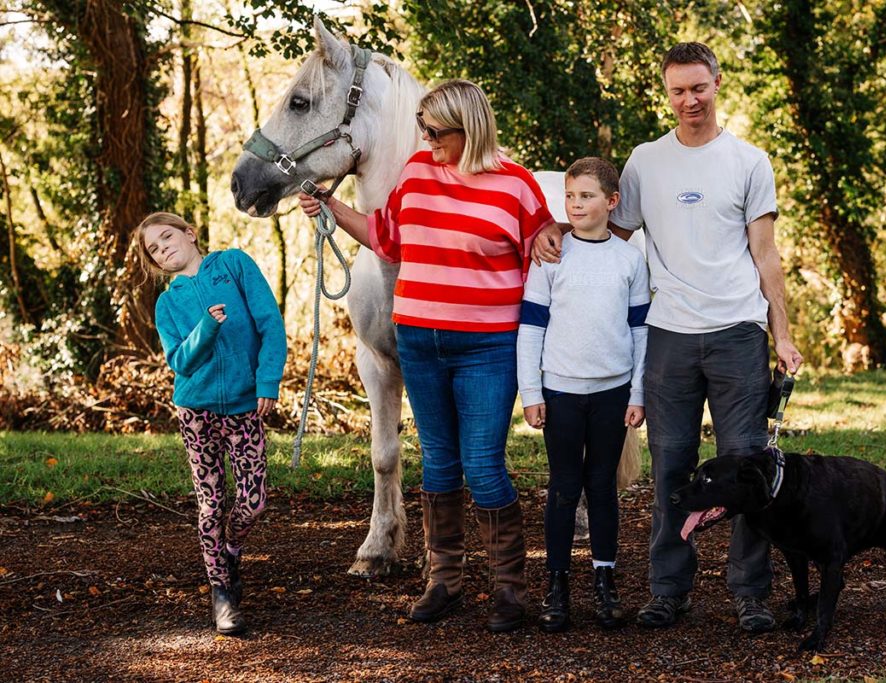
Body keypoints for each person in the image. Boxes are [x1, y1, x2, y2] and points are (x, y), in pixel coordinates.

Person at [533, 43, 804, 633]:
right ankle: (668, 591)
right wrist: (551, 229)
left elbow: (766, 254)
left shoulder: (749, 161)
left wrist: (781, 334)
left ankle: (750, 594)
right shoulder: (644, 162)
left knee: (747, 469)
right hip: (669, 337)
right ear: (667, 92)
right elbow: (610, 229)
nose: (689, 100)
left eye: (699, 88)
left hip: (737, 333)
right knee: (671, 468)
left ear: (717, 83)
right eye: (678, 90)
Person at [299, 79, 554, 633]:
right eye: (423, 128)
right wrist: (328, 205)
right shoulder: (416, 173)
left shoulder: (516, 186)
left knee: (484, 465)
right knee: (438, 463)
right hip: (419, 341)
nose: (428, 139)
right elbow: (385, 238)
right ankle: (445, 580)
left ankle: (510, 588)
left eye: (438, 132)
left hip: (488, 346)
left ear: (473, 128)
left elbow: (549, 255)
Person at [133, 212, 287, 635]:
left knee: (253, 501)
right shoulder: (167, 303)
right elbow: (180, 361)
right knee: (211, 503)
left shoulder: (234, 265)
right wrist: (206, 327)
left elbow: (270, 324)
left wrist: (268, 379)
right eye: (155, 249)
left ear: (189, 233)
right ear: (156, 262)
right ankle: (222, 594)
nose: (163, 248)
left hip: (244, 407)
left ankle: (230, 550)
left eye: (167, 237)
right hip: (196, 412)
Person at [518, 157, 649, 633]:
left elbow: (640, 333)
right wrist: (531, 391)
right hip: (561, 393)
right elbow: (531, 329)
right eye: (570, 196)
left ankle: (605, 581)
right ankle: (557, 585)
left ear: (612, 202)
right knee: (562, 487)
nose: (576, 205)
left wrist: (638, 393)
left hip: (613, 393)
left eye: (587, 196)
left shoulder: (629, 259)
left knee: (602, 487)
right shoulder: (551, 257)